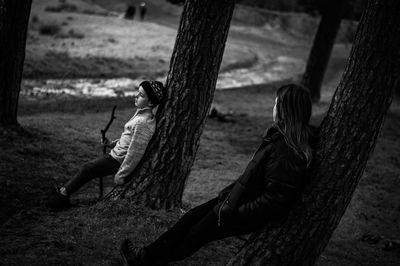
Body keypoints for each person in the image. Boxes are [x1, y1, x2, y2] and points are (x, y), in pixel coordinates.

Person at [119, 84, 315, 266]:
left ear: (286, 110)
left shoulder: (288, 151)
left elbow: (274, 201)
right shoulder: (280, 138)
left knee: (192, 237)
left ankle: (144, 260)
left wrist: (236, 211)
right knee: (190, 220)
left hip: (239, 211)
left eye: (276, 104)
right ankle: (146, 257)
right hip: (233, 201)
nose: (273, 107)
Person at [46, 80, 166, 211]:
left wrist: (122, 174)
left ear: (151, 103)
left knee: (87, 169)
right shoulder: (141, 115)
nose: (136, 96)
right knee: (89, 170)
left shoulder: (143, 123)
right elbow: (129, 139)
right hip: (115, 155)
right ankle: (64, 193)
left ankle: (60, 197)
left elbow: (135, 152)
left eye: (141, 95)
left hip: (117, 160)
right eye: (138, 92)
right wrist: (111, 144)